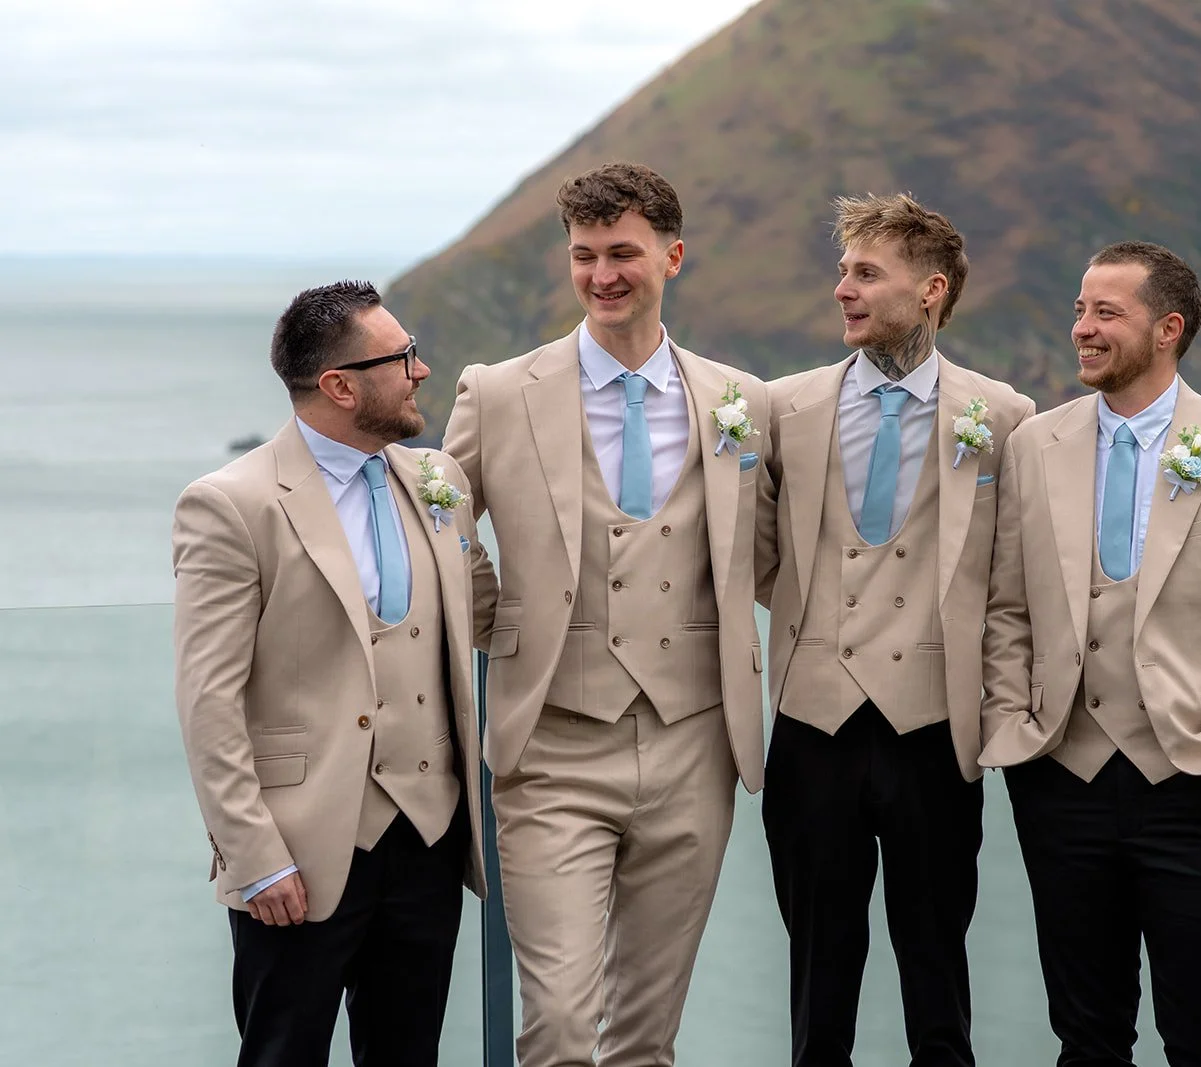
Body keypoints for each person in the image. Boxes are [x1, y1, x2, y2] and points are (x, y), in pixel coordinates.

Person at [442, 161, 770, 1067]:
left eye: (622, 252)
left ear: (673, 255)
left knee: (645, 1035)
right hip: (550, 744)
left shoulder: (739, 401)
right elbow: (433, 517)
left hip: (694, 742)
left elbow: (773, 546)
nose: (602, 274)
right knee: (554, 1021)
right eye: (584, 255)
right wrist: (493, 617)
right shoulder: (501, 392)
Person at [980, 240, 1201, 1065]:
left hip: (1196, 782)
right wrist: (1013, 725)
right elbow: (1009, 606)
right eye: (1080, 310)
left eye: (1105, 313)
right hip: (1062, 777)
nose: (1082, 329)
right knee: (1087, 1035)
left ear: (1168, 328)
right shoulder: (1034, 445)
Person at [172, 280, 488, 1067]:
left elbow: (485, 612)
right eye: (402, 357)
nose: (420, 370)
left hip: (429, 836)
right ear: (341, 386)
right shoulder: (232, 504)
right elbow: (208, 700)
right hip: (298, 853)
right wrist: (256, 857)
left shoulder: (436, 479)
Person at [755, 193, 1034, 1067]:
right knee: (818, 984)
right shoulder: (783, 408)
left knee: (938, 985)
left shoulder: (1002, 416)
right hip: (813, 727)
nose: (843, 289)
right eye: (843, 270)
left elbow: (1015, 581)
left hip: (935, 734)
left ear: (931, 290)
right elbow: (763, 554)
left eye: (866, 273)